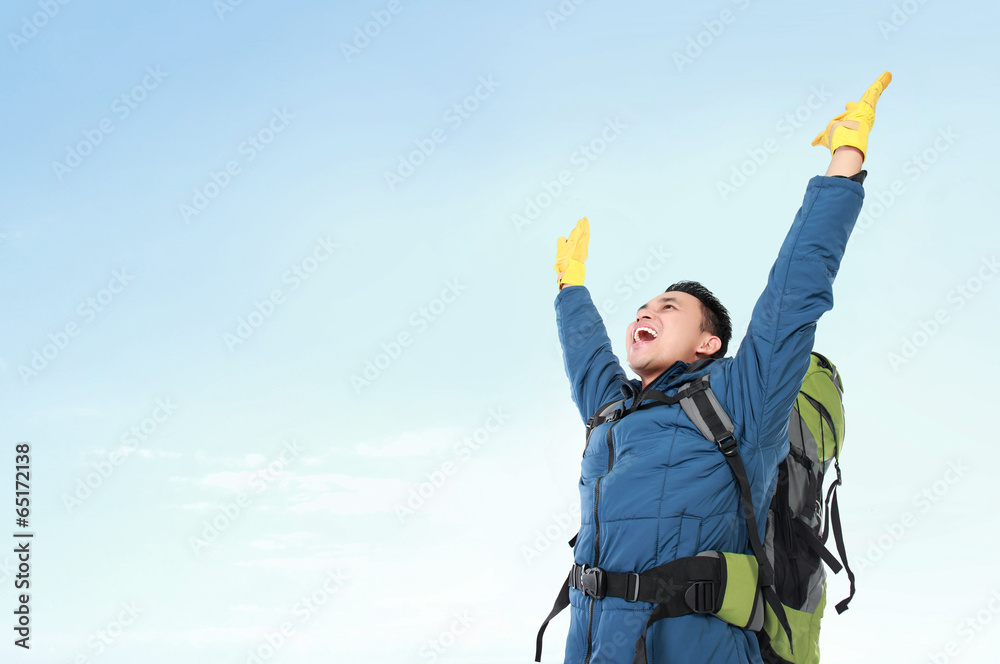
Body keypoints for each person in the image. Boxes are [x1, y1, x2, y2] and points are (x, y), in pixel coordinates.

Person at [546, 72, 892, 664]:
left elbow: (794, 290)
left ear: (708, 342)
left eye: (668, 307)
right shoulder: (612, 409)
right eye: (640, 308)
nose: (644, 313)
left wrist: (845, 158)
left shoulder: (740, 400)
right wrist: (570, 286)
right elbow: (585, 353)